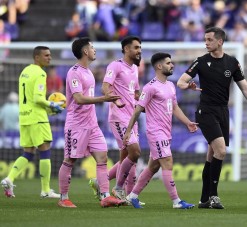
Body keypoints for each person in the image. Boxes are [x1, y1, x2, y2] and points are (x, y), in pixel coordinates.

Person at [177, 26, 247, 209]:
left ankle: (203, 200)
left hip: (223, 112)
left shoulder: (232, 63)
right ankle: (214, 196)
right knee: (221, 151)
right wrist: (189, 86)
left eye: (209, 39)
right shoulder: (200, 61)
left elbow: (245, 88)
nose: (206, 43)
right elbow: (180, 82)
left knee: (211, 157)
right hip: (206, 111)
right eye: (205, 39)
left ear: (220, 41)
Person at [124, 52, 197, 209]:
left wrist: (187, 122)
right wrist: (129, 130)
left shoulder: (170, 85)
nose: (172, 65)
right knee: (167, 163)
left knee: (153, 166)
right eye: (169, 63)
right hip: (155, 132)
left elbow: (175, 107)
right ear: (159, 66)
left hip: (166, 131)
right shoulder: (150, 87)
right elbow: (137, 110)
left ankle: (132, 196)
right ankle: (176, 201)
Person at [57, 37, 124, 208]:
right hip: (77, 124)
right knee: (70, 160)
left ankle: (106, 196)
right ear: (85, 51)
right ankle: (63, 198)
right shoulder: (74, 72)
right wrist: (104, 98)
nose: (95, 50)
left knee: (102, 157)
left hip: (92, 124)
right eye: (92, 47)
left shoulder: (88, 71)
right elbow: (78, 99)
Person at [1, 46, 64, 198]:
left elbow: (30, 98)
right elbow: (37, 98)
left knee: (28, 152)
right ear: (37, 57)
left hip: (24, 117)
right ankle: (46, 190)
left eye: (50, 55)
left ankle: (9, 178)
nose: (49, 58)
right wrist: (52, 105)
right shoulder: (41, 73)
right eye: (46, 55)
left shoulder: (25, 71)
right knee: (45, 150)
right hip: (37, 118)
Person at [88, 36, 143, 205]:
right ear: (126, 49)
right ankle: (119, 189)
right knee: (135, 153)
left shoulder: (134, 69)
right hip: (119, 117)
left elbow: (136, 93)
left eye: (140, 47)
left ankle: (101, 181)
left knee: (126, 158)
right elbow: (106, 85)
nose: (139, 50)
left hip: (132, 118)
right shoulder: (115, 65)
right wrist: (113, 98)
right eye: (136, 47)